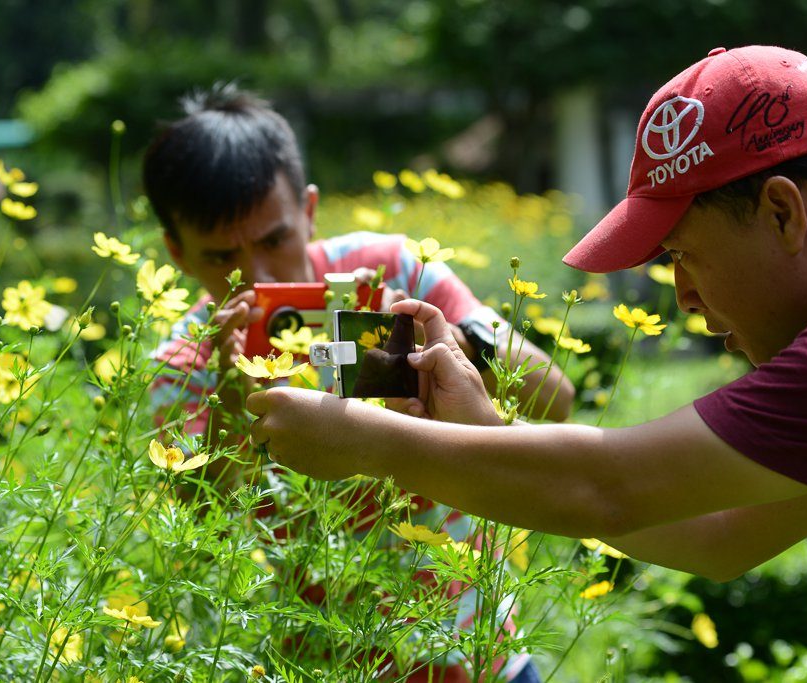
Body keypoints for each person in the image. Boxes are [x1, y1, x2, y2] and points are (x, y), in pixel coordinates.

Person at [246, 45, 807, 681]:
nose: (683, 294)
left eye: (685, 254)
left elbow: (610, 487)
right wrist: (488, 426)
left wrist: (366, 443)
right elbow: (719, 532)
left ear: (784, 211)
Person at [142, 85, 559, 681]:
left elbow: (556, 393)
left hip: (477, 654)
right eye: (221, 256)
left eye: (274, 240)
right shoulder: (183, 363)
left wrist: (448, 346)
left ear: (309, 211)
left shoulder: (393, 269)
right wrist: (233, 401)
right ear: (176, 253)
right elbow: (194, 528)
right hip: (325, 664)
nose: (257, 277)